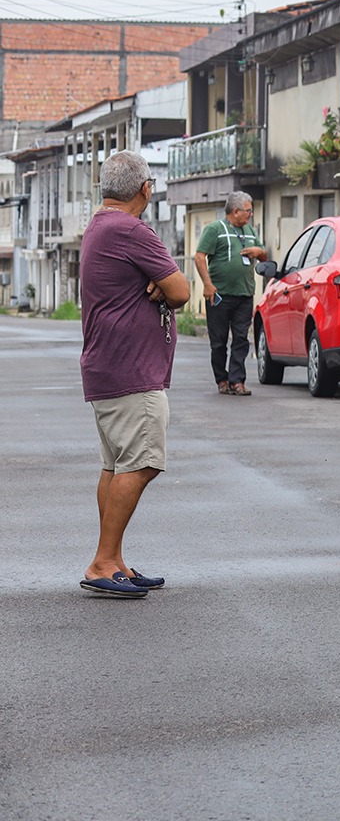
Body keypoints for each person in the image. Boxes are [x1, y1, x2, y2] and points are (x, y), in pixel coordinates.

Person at [78, 151, 191, 598]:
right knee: (142, 463)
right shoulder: (130, 228)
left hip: (108, 366)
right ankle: (104, 561)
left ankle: (115, 558)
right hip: (131, 370)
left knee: (115, 466)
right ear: (145, 189)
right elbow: (181, 290)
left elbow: (163, 284)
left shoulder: (100, 225)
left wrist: (156, 280)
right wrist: (162, 282)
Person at [194, 192, 267, 395]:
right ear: (235, 211)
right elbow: (200, 257)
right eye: (248, 210)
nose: (250, 214)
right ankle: (222, 379)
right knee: (218, 341)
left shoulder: (250, 231)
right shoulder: (215, 230)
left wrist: (258, 252)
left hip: (244, 294)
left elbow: (265, 254)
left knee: (241, 339)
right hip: (219, 295)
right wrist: (207, 285)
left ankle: (237, 381)